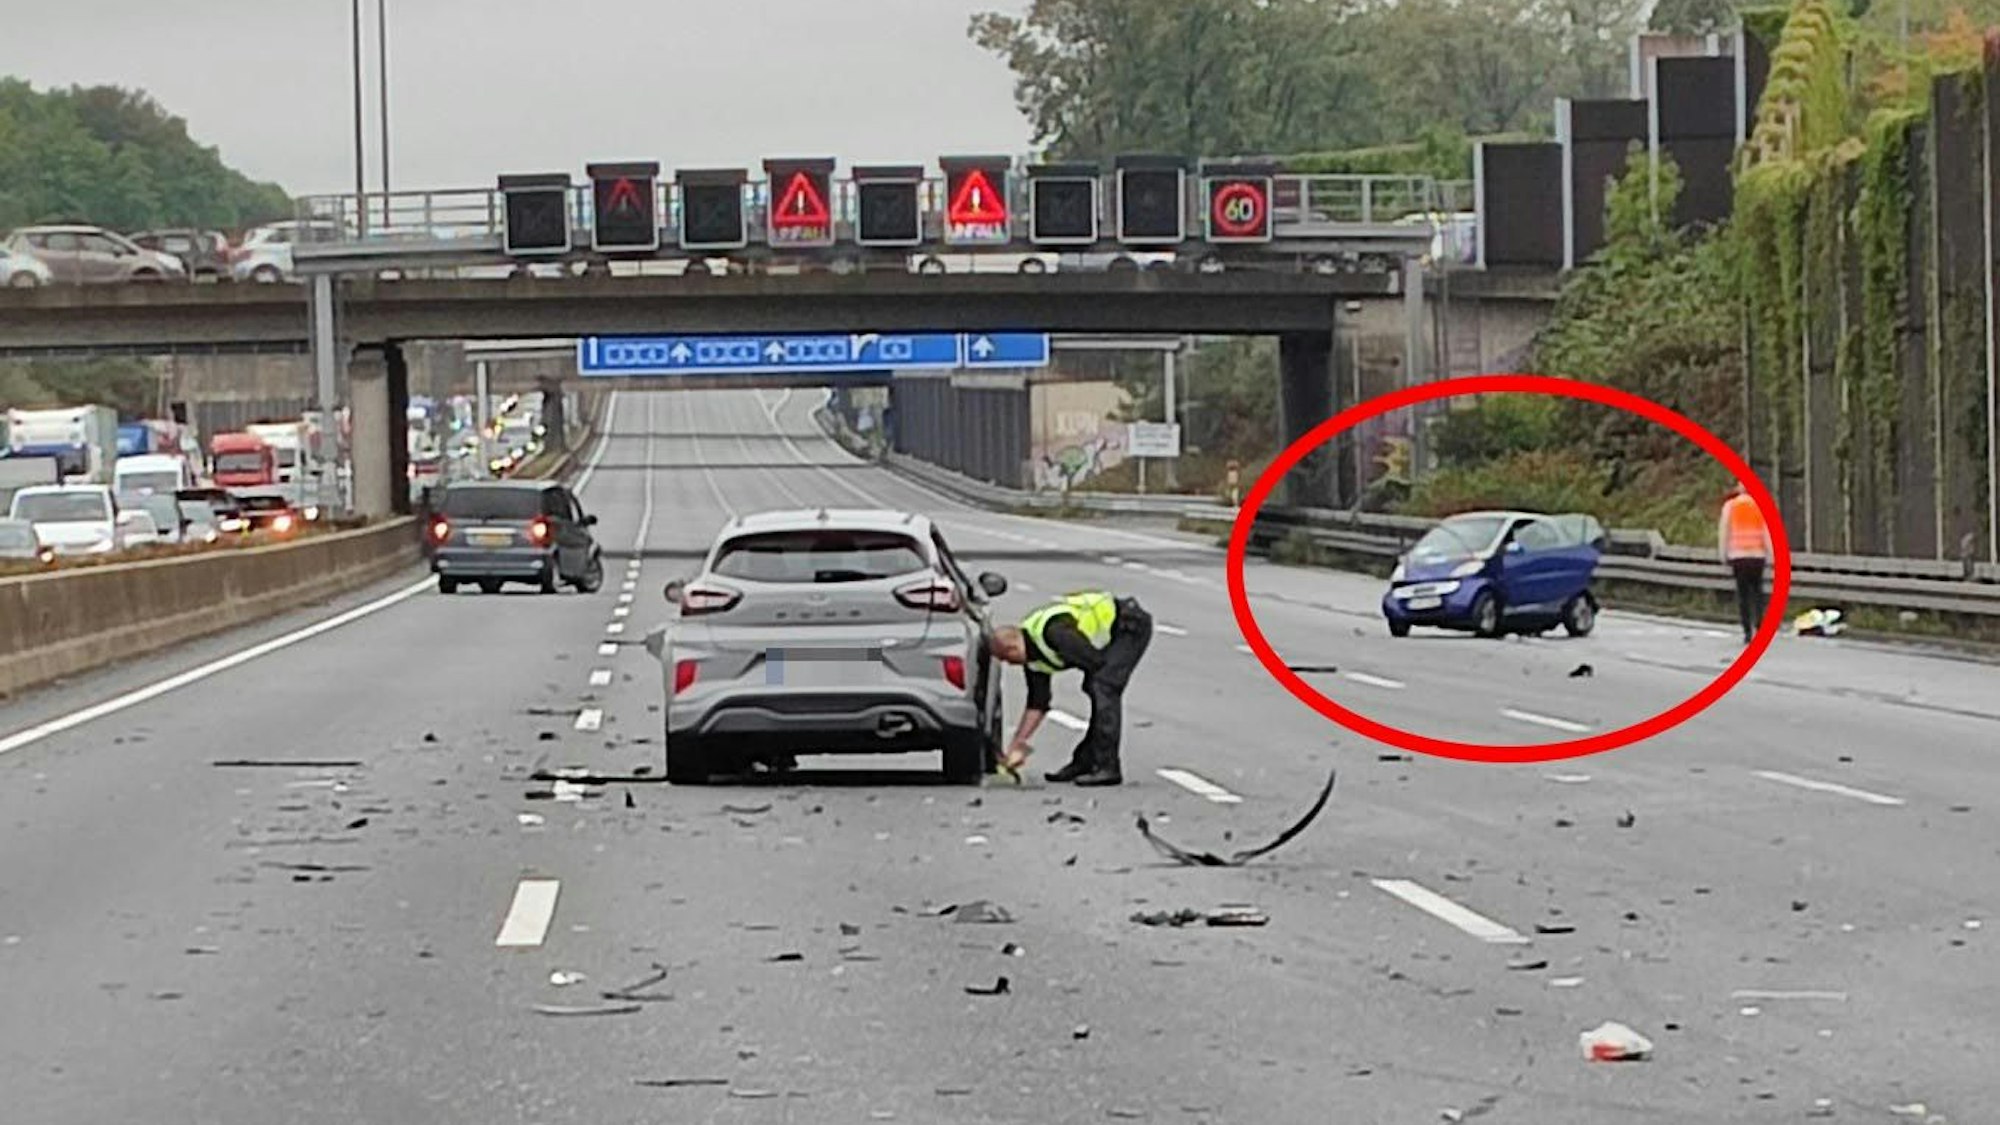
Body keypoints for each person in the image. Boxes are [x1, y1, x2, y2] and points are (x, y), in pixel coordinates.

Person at [990, 590, 1153, 787]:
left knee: (1103, 686)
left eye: (1008, 659)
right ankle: (1085, 761)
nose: (1010, 665)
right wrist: (1017, 745)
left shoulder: (1055, 633)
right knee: (1098, 686)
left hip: (1129, 624)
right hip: (1113, 633)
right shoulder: (1033, 658)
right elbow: (1038, 703)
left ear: (1013, 648)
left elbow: (1095, 661)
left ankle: (1107, 767)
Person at [1718, 482, 1774, 643]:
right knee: (1757, 592)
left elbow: (1725, 532)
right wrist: (1772, 555)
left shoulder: (1730, 506)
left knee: (1743, 595)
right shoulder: (1760, 506)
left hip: (1738, 556)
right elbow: (1766, 532)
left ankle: (1747, 631)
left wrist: (1723, 555)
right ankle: (1760, 624)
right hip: (1757, 556)